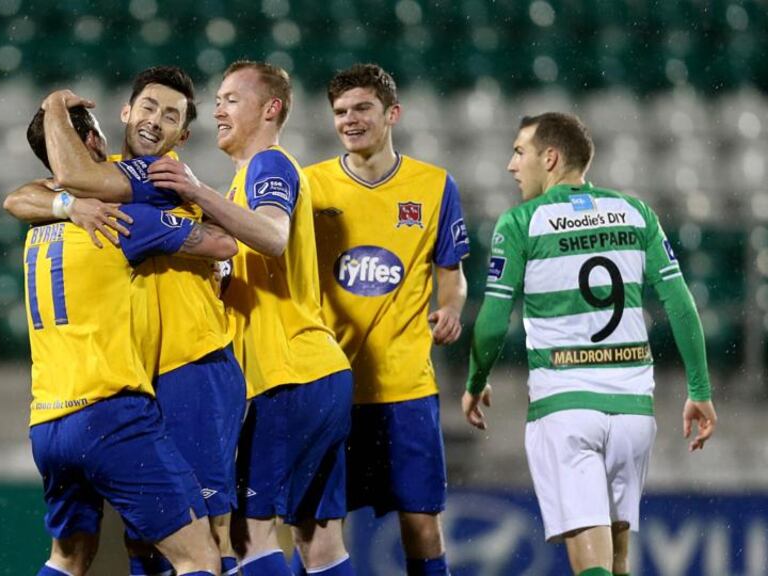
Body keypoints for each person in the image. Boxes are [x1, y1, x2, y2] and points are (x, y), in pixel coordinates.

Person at [5, 66, 247, 576]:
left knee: (71, 557)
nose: (155, 121)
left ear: (184, 134)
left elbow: (16, 197)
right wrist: (57, 105)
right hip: (112, 406)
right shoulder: (117, 213)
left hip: (50, 416)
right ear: (111, 124)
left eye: (171, 115)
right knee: (201, 552)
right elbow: (223, 245)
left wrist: (65, 201)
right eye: (148, 108)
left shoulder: (49, 217)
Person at [462, 112, 718, 576]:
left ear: (550, 158)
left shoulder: (521, 223)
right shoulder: (636, 213)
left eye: (519, 152)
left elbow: (494, 321)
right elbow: (681, 304)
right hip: (633, 411)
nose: (511, 165)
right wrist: (699, 389)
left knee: (590, 567)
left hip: (567, 410)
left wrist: (476, 379)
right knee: (617, 562)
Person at [148, 61, 354, 576]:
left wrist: (196, 191)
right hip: (321, 373)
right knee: (320, 541)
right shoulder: (242, 185)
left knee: (247, 534)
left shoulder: (269, 165)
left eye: (231, 99)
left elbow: (273, 236)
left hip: (287, 375)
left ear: (270, 109)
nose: (218, 109)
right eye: (217, 100)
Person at [301, 64, 469, 576]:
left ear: (392, 113)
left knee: (421, 523)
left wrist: (451, 308)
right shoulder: (310, 187)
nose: (349, 120)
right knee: (319, 528)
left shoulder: (434, 186)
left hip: (405, 387)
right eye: (340, 112)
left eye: (362, 108)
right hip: (330, 385)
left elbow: (452, 275)